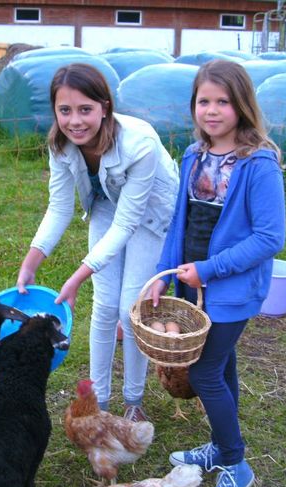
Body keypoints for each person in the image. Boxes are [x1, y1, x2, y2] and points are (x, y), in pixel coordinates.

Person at [148, 60, 286, 487]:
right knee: (221, 365)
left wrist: (207, 270)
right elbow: (178, 225)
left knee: (205, 373)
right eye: (203, 101)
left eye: (222, 101)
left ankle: (235, 464)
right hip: (191, 281)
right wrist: (165, 275)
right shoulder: (193, 154)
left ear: (242, 104)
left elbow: (269, 238)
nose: (211, 110)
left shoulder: (259, 162)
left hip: (229, 289)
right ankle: (219, 445)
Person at [16, 63, 179, 422]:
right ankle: (100, 402)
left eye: (85, 109)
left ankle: (134, 400)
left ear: (105, 107)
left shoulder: (141, 144)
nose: (75, 121)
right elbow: (59, 209)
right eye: (65, 110)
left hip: (150, 214)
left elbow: (127, 224)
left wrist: (76, 277)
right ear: (55, 111)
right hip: (106, 202)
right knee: (105, 307)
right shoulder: (60, 146)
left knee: (128, 309)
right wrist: (31, 262)